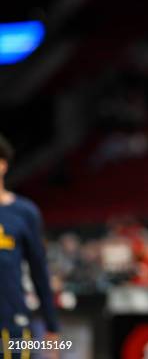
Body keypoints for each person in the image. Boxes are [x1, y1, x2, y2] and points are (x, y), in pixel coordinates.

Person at [0, 134, 60, 357]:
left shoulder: (25, 213)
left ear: (3, 164)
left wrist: (52, 326)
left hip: (12, 321)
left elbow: (39, 271)